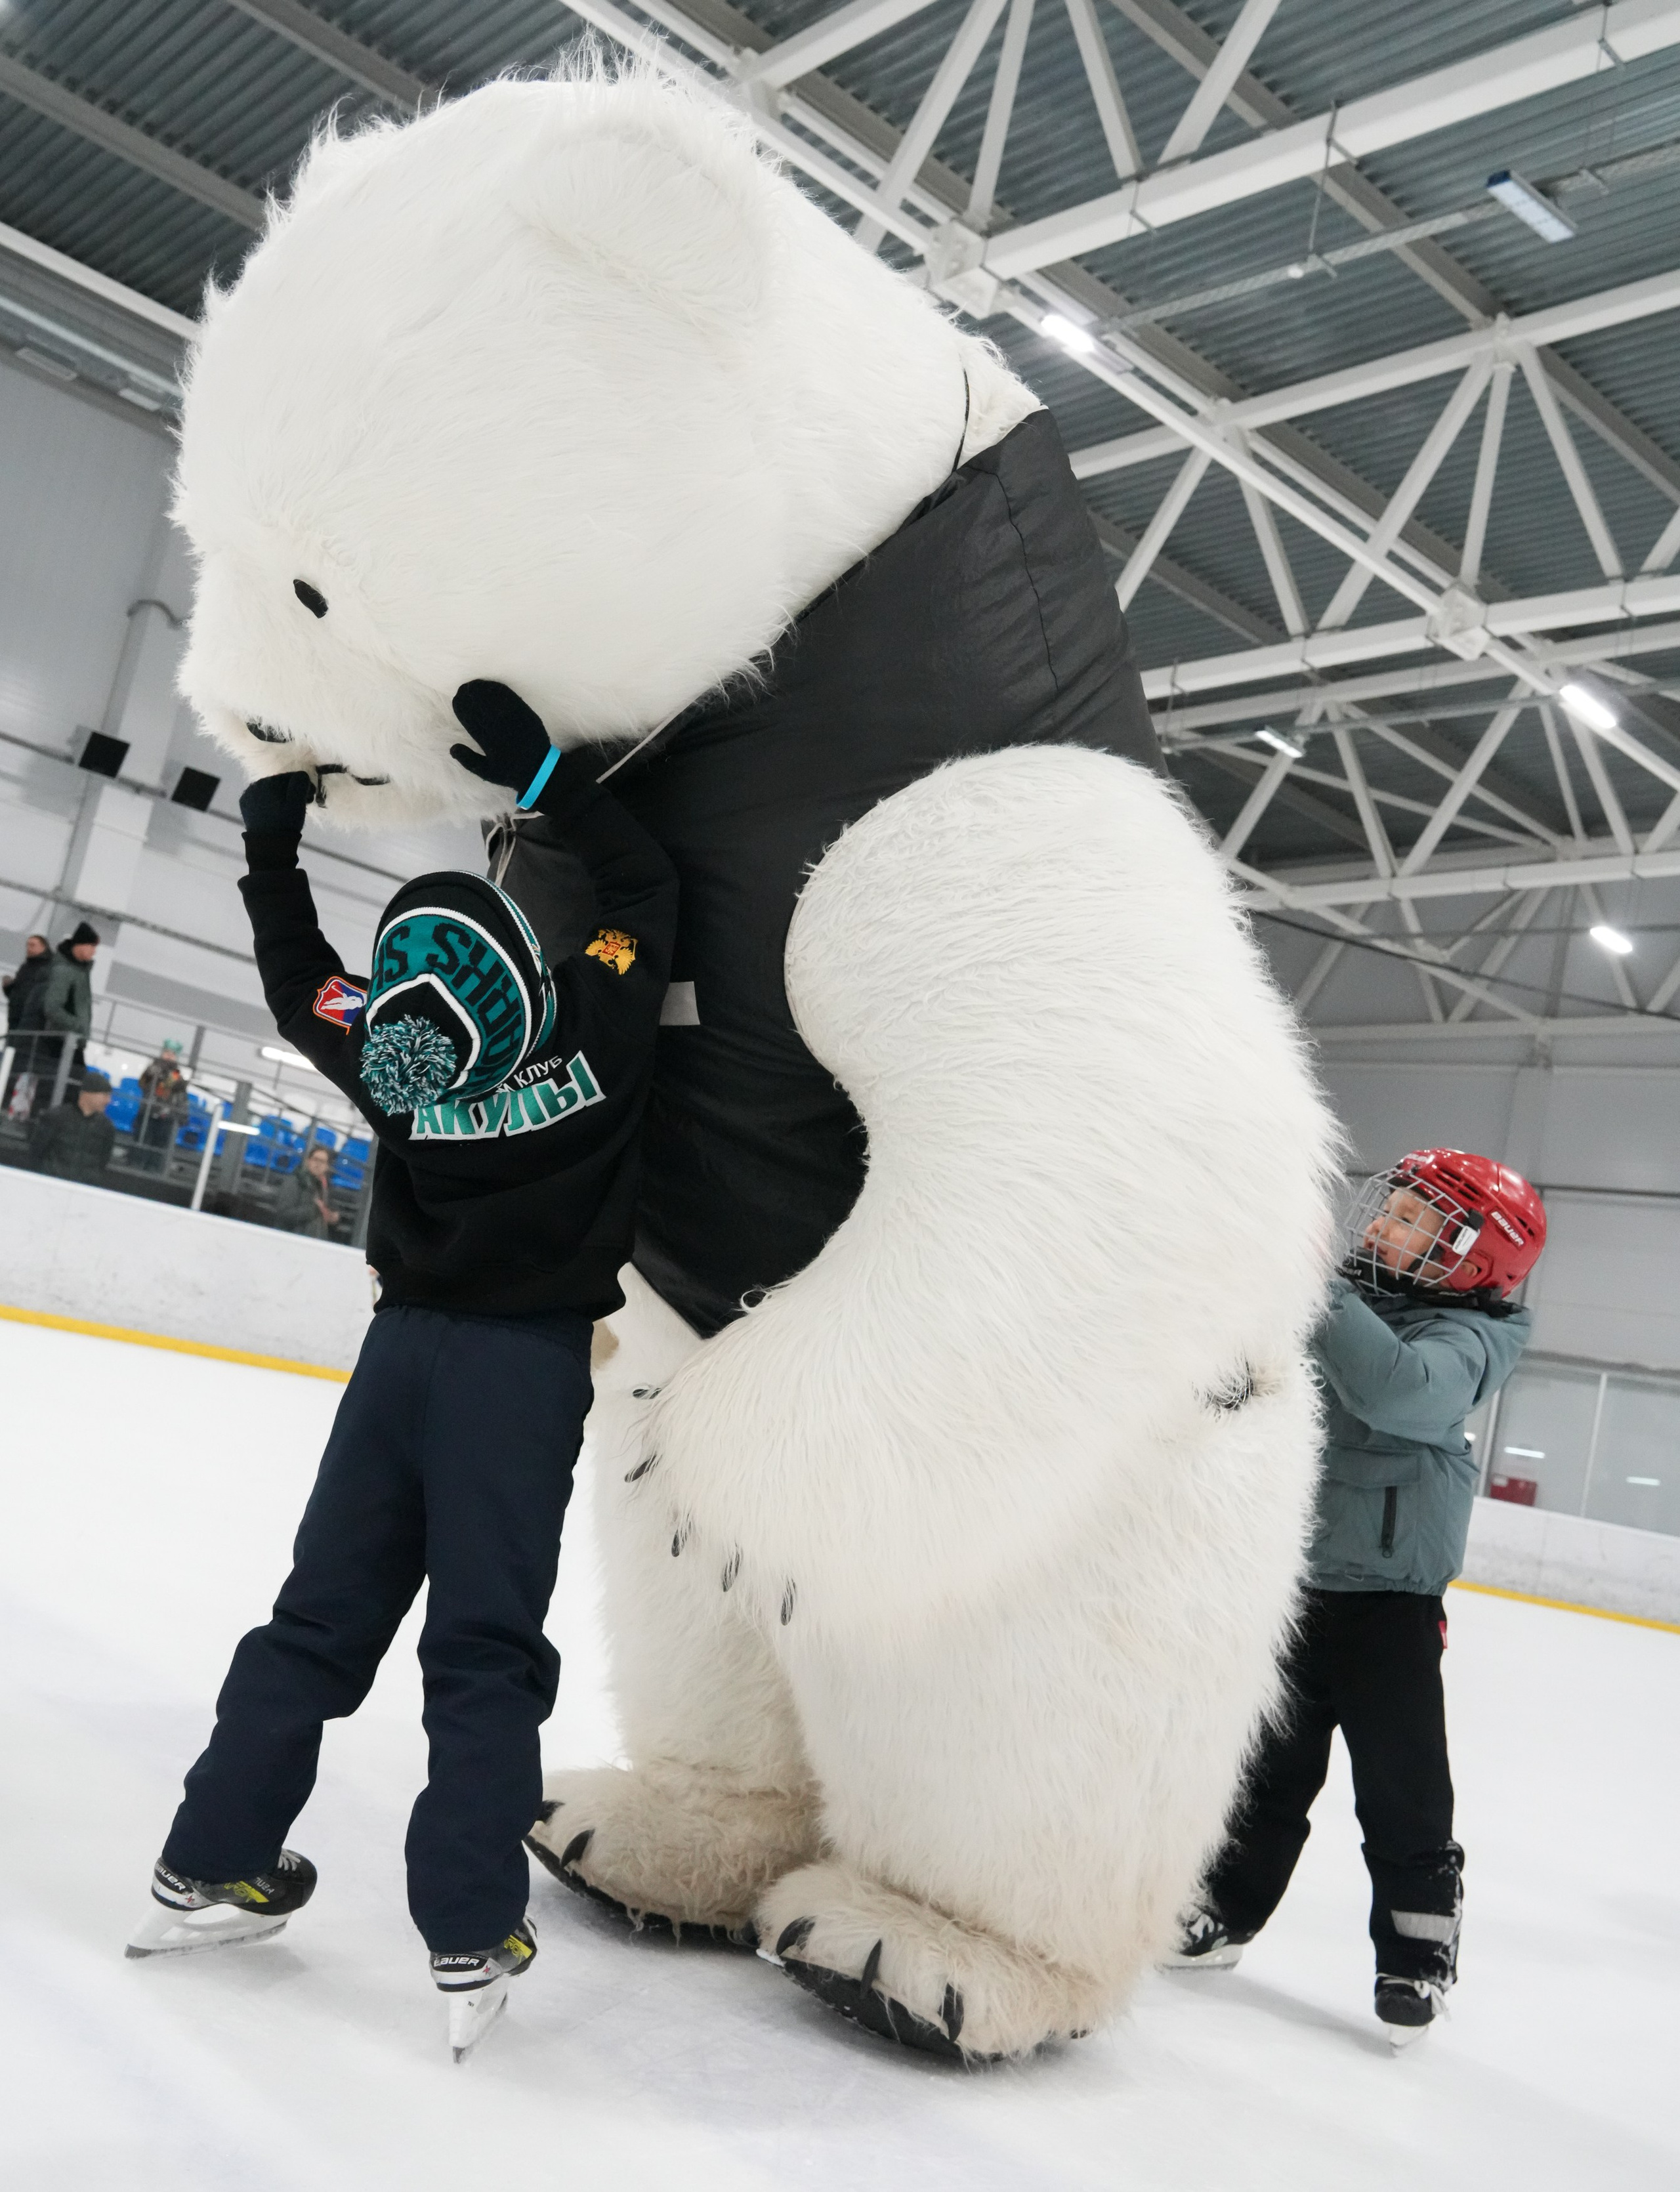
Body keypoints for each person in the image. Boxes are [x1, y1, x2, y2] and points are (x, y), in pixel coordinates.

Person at [127, 681, 677, 2061]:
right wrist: (546, 775)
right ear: (525, 973)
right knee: (483, 1651)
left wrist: (269, 849)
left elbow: (294, 972)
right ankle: (467, 1924)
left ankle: (211, 1860)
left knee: (317, 1620)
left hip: (398, 1361)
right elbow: (642, 884)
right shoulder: (595, 1032)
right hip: (521, 1373)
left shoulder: (387, 1060)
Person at [1165, 1148, 1545, 2048]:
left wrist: (1315, 1295)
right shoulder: (1351, 1303)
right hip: (1293, 1592)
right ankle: (1224, 1909)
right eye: (1391, 1208)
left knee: (1403, 1795)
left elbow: (1397, 1391)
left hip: (1389, 1613)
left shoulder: (1475, 1341)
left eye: (1414, 1220)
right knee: (1267, 1774)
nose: (1381, 1224)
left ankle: (1414, 1954)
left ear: (1474, 1256)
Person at [39, 920, 100, 1103]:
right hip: (61, 1043)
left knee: (70, 1094)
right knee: (66, 1096)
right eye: (92, 946)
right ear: (80, 945)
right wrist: (78, 1026)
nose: (94, 952)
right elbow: (52, 1007)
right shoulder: (65, 971)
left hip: (69, 1042)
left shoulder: (79, 971)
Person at [30, 1067, 117, 1183]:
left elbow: (103, 1161)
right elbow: (37, 1150)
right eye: (105, 1095)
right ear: (89, 1094)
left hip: (83, 1191)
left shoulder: (107, 1127)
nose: (109, 1101)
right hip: (51, 1186)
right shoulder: (56, 1117)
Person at [2, 933, 51, 1114]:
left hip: (29, 1031)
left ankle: (16, 1110)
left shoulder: (45, 969)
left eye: (33, 945)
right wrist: (9, 988)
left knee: (20, 1071)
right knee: (10, 1070)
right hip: (15, 1027)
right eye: (28, 944)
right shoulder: (26, 967)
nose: (29, 948)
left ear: (43, 947)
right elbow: (18, 996)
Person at [137, 1040, 191, 1173]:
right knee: (142, 1143)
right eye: (167, 1053)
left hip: (166, 1118)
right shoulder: (153, 1068)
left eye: (173, 1054)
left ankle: (153, 1170)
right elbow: (143, 1084)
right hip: (148, 1114)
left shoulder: (176, 1075)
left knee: (159, 1149)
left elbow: (168, 1092)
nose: (169, 1056)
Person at [270, 1141, 344, 1238]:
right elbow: (284, 1215)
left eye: (322, 1162)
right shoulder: (295, 1181)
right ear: (307, 1161)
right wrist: (316, 1210)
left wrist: (334, 1219)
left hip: (315, 1244)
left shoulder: (325, 1188)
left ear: (327, 1167)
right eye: (316, 1160)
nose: (318, 1164)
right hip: (292, 1241)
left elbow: (330, 1216)